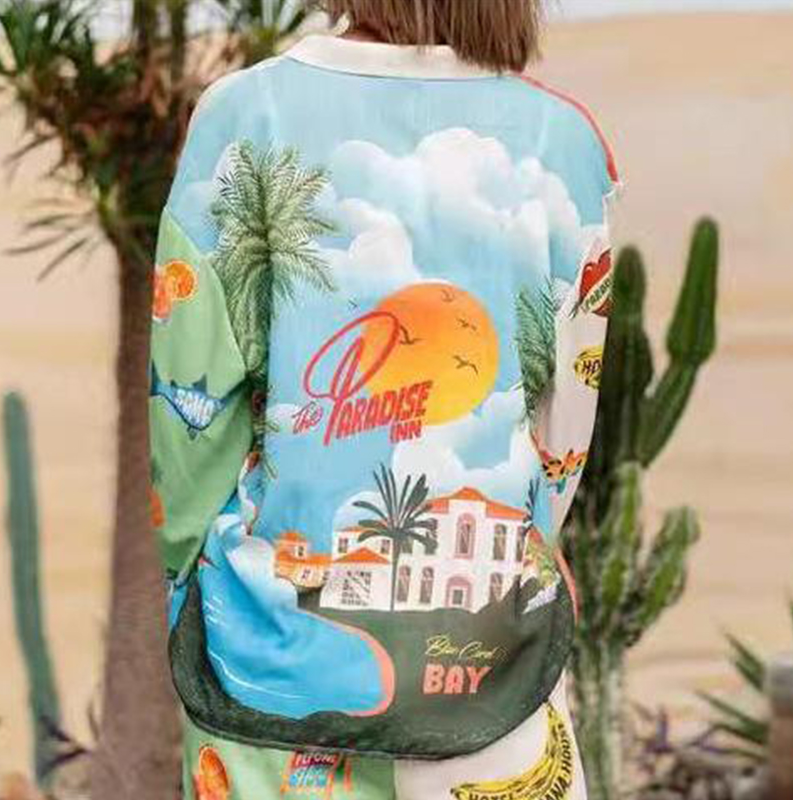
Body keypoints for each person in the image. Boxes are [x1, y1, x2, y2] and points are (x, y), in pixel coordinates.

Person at [148, 1, 622, 797]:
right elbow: (565, 426)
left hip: (266, 663)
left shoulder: (243, 114)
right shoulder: (566, 140)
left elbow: (189, 415)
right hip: (498, 665)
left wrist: (193, 588)